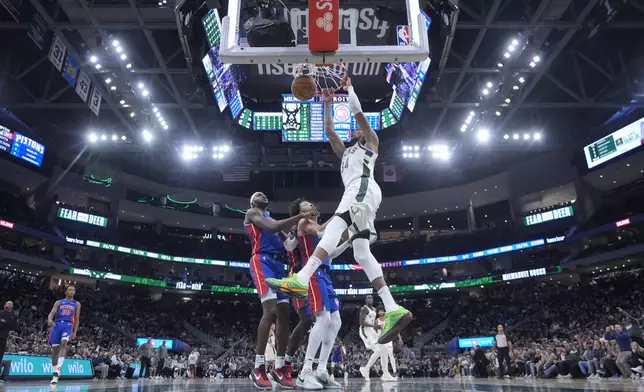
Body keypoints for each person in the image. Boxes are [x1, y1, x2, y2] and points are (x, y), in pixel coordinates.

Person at [266, 81, 412, 345]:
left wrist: (350, 88)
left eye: (359, 127)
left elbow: (358, 114)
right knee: (361, 252)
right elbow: (330, 131)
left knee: (333, 226)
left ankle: (301, 277)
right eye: (355, 128)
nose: (356, 128)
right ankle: (392, 308)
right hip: (362, 194)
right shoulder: (345, 153)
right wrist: (328, 102)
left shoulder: (370, 142)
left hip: (362, 187)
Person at [244, 192, 314, 389]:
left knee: (285, 315)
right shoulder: (253, 213)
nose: (262, 195)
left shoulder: (274, 219)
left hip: (279, 266)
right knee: (271, 311)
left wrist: (296, 233)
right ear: (253, 201)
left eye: (265, 194)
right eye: (258, 194)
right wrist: (300, 217)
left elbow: (289, 246)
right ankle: (258, 367)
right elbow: (273, 227)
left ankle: (280, 367)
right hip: (261, 260)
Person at [291, 199, 348, 389]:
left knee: (336, 321)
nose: (310, 206)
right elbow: (323, 232)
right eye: (305, 205)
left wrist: (349, 241)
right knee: (322, 319)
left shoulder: (316, 225)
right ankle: (305, 371)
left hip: (325, 274)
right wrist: (339, 220)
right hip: (313, 273)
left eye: (310, 204)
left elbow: (331, 254)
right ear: (300, 211)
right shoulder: (303, 223)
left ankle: (322, 370)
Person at [47, 285, 81, 385]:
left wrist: (75, 332)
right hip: (57, 325)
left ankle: (58, 369)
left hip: (68, 325)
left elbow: (77, 319)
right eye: (70, 290)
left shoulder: (77, 304)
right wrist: (49, 319)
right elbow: (51, 313)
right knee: (54, 352)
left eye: (73, 290)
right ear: (66, 292)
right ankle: (54, 375)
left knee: (64, 342)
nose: (72, 291)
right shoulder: (59, 302)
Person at [358, 295, 392, 381]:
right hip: (365, 331)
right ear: (365, 300)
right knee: (378, 351)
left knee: (384, 350)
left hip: (372, 331)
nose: (370, 299)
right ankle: (365, 369)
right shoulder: (364, 309)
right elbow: (361, 323)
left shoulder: (374, 309)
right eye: (368, 298)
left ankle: (385, 374)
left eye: (371, 298)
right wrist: (375, 326)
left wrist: (376, 328)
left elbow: (373, 322)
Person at [376, 308, 398, 379]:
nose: (381, 312)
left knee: (391, 355)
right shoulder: (376, 320)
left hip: (388, 338)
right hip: (381, 340)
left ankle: (395, 372)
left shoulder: (387, 319)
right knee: (383, 357)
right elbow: (374, 330)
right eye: (380, 311)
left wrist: (399, 337)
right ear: (378, 312)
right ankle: (385, 372)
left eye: (382, 311)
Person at [0, 301, 18, 382]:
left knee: (1, 357)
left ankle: (3, 377)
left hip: (3, 340)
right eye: (8, 303)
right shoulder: (1, 313)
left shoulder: (13, 316)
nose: (10, 304)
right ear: (4, 305)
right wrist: (8, 322)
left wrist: (14, 320)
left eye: (11, 304)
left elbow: (16, 328)